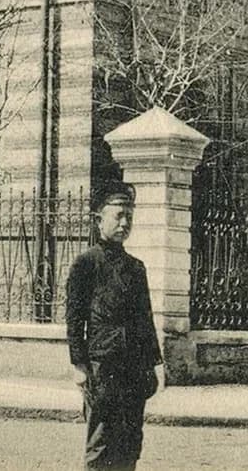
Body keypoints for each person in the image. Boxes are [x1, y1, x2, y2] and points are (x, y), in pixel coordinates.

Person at [65, 179, 163, 471]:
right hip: (103, 365)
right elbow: (73, 318)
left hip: (134, 366)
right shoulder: (85, 264)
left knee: (131, 440)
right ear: (99, 219)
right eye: (118, 215)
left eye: (129, 216)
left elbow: (146, 319)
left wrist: (156, 363)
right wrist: (79, 365)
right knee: (101, 441)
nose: (124, 223)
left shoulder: (136, 268)